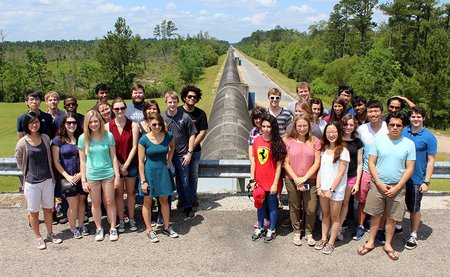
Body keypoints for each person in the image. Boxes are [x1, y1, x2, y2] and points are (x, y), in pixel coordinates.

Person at [357, 112, 415, 261]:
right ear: (387, 125)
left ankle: (388, 244)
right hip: (378, 184)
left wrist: (397, 187)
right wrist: (379, 183)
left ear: (403, 127)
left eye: (399, 125)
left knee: (392, 217)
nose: (395, 128)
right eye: (392, 124)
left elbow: (409, 168)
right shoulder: (379, 140)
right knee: (375, 215)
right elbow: (371, 163)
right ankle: (370, 242)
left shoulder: (409, 144)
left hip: (398, 186)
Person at [15, 112, 62, 249]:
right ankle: (38, 236)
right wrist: (27, 171)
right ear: (26, 125)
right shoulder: (22, 143)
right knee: (34, 211)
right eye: (31, 123)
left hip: (47, 179)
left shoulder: (46, 138)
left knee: (48, 209)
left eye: (36, 122)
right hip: (32, 182)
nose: (34, 125)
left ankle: (50, 233)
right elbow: (19, 159)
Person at [78, 109, 120, 241]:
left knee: (110, 201)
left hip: (108, 173)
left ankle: (113, 227)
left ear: (100, 122)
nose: (94, 124)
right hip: (92, 175)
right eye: (91, 122)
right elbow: (82, 161)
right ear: (87, 123)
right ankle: (99, 228)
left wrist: (117, 175)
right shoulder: (82, 138)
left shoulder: (108, 136)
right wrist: (83, 180)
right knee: (96, 203)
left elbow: (113, 157)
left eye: (96, 121)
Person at [138, 113, 179, 242]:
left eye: (159, 124)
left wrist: (169, 160)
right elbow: (140, 161)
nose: (157, 127)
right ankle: (149, 229)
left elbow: (172, 147)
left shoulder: (168, 136)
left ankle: (167, 227)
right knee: (148, 202)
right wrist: (143, 181)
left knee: (164, 201)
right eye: (154, 124)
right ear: (149, 124)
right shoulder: (144, 139)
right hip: (149, 172)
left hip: (163, 172)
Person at [353, 100, 389, 241]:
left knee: (382, 203)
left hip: (383, 172)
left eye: (376, 111)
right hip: (366, 171)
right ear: (366, 113)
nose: (373, 114)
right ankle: (360, 226)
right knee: (362, 201)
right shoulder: (362, 129)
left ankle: (380, 229)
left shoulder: (387, 128)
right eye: (370, 111)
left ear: (381, 112)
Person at [283, 115, 321, 246]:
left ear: (309, 126)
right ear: (295, 126)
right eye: (299, 126)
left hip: (310, 180)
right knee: (295, 206)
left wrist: (304, 178)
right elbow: (285, 163)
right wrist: (296, 179)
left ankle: (309, 232)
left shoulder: (315, 141)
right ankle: (297, 231)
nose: (302, 128)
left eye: (305, 125)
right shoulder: (288, 140)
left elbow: (317, 162)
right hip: (292, 180)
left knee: (311, 208)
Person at [402, 106, 437, 250]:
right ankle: (396, 228)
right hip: (400, 176)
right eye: (413, 116)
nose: (415, 119)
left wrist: (426, 181)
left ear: (423, 118)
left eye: (418, 116)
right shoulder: (404, 131)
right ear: (409, 118)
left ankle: (413, 234)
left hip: (417, 179)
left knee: (414, 208)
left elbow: (431, 160)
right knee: (397, 205)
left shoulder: (429, 137)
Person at [250, 114, 287, 243]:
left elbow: (279, 166)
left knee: (272, 206)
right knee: (259, 205)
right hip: (259, 181)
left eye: (268, 126)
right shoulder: (257, 140)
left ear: (273, 127)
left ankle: (271, 229)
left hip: (271, 181)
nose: (265, 129)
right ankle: (260, 227)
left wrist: (275, 184)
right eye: (263, 126)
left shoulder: (277, 143)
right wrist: (252, 179)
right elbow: (254, 161)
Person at [51, 112, 89, 239]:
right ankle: (73, 228)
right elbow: (56, 161)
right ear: (64, 124)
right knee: (72, 204)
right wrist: (67, 176)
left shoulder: (82, 138)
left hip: (82, 175)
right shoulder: (57, 141)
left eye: (74, 122)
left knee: (82, 202)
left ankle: (82, 224)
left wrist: (80, 174)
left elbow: (87, 158)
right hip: (67, 178)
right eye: (69, 123)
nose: (71, 125)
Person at [315, 122, 350, 255]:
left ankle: (331, 242)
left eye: (334, 132)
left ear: (339, 133)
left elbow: (341, 174)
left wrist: (331, 190)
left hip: (336, 190)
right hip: (323, 188)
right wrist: (319, 187)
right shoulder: (324, 150)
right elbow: (320, 170)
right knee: (325, 214)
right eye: (329, 132)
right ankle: (324, 238)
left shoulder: (343, 151)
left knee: (335, 216)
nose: (331, 134)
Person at [106, 98, 139, 233]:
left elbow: (135, 146)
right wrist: (119, 166)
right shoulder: (108, 126)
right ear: (113, 110)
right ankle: (121, 219)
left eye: (122, 108)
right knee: (118, 195)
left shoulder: (133, 125)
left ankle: (131, 218)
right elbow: (109, 149)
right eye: (116, 109)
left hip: (130, 164)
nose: (119, 111)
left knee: (131, 193)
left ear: (126, 109)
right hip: (116, 166)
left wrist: (126, 164)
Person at [162, 91, 196, 217]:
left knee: (185, 182)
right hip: (167, 156)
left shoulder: (185, 117)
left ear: (178, 102)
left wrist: (189, 153)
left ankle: (186, 206)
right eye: (170, 102)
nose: (172, 104)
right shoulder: (162, 118)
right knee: (168, 183)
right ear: (166, 102)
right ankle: (167, 207)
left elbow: (192, 134)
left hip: (182, 155)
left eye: (174, 102)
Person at [178, 85, 208, 207]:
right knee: (181, 177)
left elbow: (203, 132)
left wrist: (192, 145)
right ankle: (181, 198)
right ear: (184, 97)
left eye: (194, 97)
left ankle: (193, 197)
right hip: (179, 151)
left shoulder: (200, 113)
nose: (192, 99)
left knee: (193, 175)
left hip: (195, 151)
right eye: (189, 96)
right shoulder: (178, 111)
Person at [338, 114, 363, 239]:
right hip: (336, 177)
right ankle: (334, 225)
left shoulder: (358, 142)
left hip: (351, 177)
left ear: (355, 126)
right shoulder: (337, 139)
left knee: (345, 203)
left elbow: (359, 163)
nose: (348, 127)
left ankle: (341, 227)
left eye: (351, 125)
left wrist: (357, 182)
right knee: (336, 202)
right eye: (346, 124)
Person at [248, 106, 270, 229]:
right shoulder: (253, 132)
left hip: (268, 168)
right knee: (259, 193)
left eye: (260, 118)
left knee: (269, 194)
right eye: (255, 118)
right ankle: (262, 219)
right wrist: (253, 164)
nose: (258, 121)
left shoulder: (269, 131)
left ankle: (269, 218)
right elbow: (251, 150)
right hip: (257, 167)